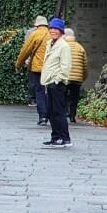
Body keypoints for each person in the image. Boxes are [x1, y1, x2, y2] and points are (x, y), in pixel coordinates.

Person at [40, 17, 72, 147]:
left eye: (56, 29)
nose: (53, 31)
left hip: (57, 84)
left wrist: (57, 80)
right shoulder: (50, 43)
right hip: (49, 82)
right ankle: (55, 137)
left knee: (59, 112)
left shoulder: (63, 46)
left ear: (61, 31)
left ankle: (64, 138)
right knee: (51, 111)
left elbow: (65, 66)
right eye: (51, 28)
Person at [14, 15, 50, 125]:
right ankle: (49, 114)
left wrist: (18, 64)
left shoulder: (34, 34)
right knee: (50, 91)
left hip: (37, 68)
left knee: (39, 92)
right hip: (50, 67)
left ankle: (43, 116)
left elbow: (25, 51)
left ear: (37, 25)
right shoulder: (51, 34)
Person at [65, 28, 88, 123]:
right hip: (77, 79)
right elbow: (85, 65)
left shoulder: (63, 47)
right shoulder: (80, 47)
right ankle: (72, 116)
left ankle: (65, 112)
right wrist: (83, 77)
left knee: (63, 95)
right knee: (74, 97)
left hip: (65, 77)